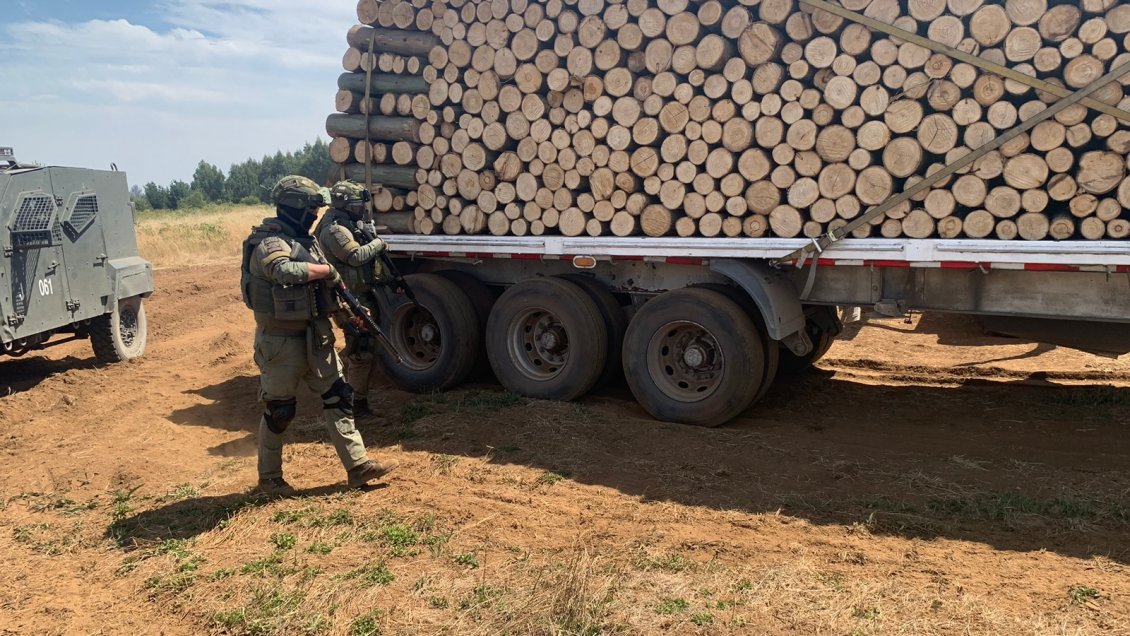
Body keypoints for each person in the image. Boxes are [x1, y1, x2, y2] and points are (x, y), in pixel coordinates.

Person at [240, 175, 398, 495]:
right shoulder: (270, 241)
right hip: (280, 343)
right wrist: (325, 270)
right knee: (280, 411)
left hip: (317, 337)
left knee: (340, 397)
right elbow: (282, 270)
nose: (315, 215)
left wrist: (348, 318)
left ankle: (358, 467)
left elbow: (329, 291)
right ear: (295, 207)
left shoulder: (308, 242)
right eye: (311, 209)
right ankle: (269, 479)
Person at [313, 180, 389, 417]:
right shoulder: (335, 229)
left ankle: (354, 400)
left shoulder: (345, 224)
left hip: (356, 294)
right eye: (358, 204)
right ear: (347, 204)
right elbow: (354, 256)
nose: (361, 209)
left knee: (363, 346)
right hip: (347, 298)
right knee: (361, 347)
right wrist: (378, 243)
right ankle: (354, 405)